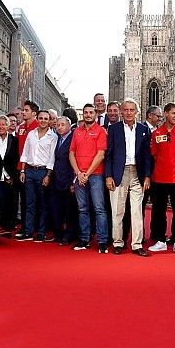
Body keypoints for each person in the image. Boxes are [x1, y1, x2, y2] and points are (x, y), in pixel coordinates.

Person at [105, 98, 152, 256]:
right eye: (126, 110)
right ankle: (118, 242)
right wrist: (108, 176)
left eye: (132, 110)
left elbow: (147, 156)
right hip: (119, 173)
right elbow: (109, 155)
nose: (129, 113)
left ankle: (137, 244)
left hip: (137, 173)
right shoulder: (114, 129)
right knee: (117, 210)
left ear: (136, 112)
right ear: (121, 112)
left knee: (137, 210)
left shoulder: (144, 129)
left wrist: (147, 176)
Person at [148, 102, 175, 254]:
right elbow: (153, 154)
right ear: (166, 114)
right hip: (159, 179)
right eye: (173, 113)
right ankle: (160, 240)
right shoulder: (156, 133)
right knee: (159, 211)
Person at [70, 103, 109, 252]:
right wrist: (78, 173)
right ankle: (84, 239)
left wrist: (87, 173)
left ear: (95, 115)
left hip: (96, 175)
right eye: (85, 112)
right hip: (79, 176)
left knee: (99, 208)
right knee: (82, 209)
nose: (88, 115)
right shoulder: (77, 132)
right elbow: (71, 153)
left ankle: (102, 241)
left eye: (91, 112)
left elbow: (101, 154)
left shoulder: (100, 131)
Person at [18, 110, 58, 241]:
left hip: (43, 172)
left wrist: (48, 175)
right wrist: (23, 171)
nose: (43, 121)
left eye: (46, 119)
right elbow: (25, 152)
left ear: (49, 120)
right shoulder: (31, 134)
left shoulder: (53, 137)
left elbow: (52, 158)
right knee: (29, 203)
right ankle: (28, 232)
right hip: (29, 171)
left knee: (43, 204)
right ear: (37, 119)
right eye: (41, 118)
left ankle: (41, 232)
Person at [50, 116, 78, 245]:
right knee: (57, 208)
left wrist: (73, 181)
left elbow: (75, 159)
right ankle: (58, 233)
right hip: (56, 178)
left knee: (69, 209)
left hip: (68, 179)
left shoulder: (73, 138)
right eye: (58, 125)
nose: (60, 127)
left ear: (69, 126)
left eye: (62, 125)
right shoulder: (56, 139)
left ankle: (69, 234)